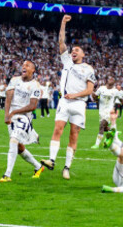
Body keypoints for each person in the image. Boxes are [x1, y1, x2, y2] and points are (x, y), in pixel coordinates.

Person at [41, 15, 96, 180]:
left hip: (79, 104)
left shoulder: (88, 68)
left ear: (83, 55)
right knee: (57, 129)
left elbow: (90, 90)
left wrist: (75, 94)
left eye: (77, 50)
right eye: (73, 50)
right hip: (64, 102)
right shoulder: (67, 63)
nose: (73, 51)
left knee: (74, 135)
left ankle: (67, 167)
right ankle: (51, 160)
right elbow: (61, 42)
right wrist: (63, 23)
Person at [0, 61, 45, 182]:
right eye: (23, 65)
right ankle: (38, 167)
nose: (24, 67)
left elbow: (33, 106)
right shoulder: (14, 80)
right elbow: (8, 97)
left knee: (13, 140)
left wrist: (14, 112)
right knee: (19, 147)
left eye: (27, 65)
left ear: (33, 70)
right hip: (12, 117)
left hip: (24, 117)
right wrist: (7, 115)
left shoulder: (35, 86)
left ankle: (7, 174)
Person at [92, 76, 120, 149]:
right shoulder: (101, 89)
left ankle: (97, 144)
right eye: (110, 78)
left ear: (114, 82)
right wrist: (92, 91)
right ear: (106, 80)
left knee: (101, 125)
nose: (111, 79)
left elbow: (120, 98)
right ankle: (115, 133)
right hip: (101, 111)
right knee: (104, 128)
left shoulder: (115, 91)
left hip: (109, 112)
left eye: (113, 79)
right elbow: (95, 97)